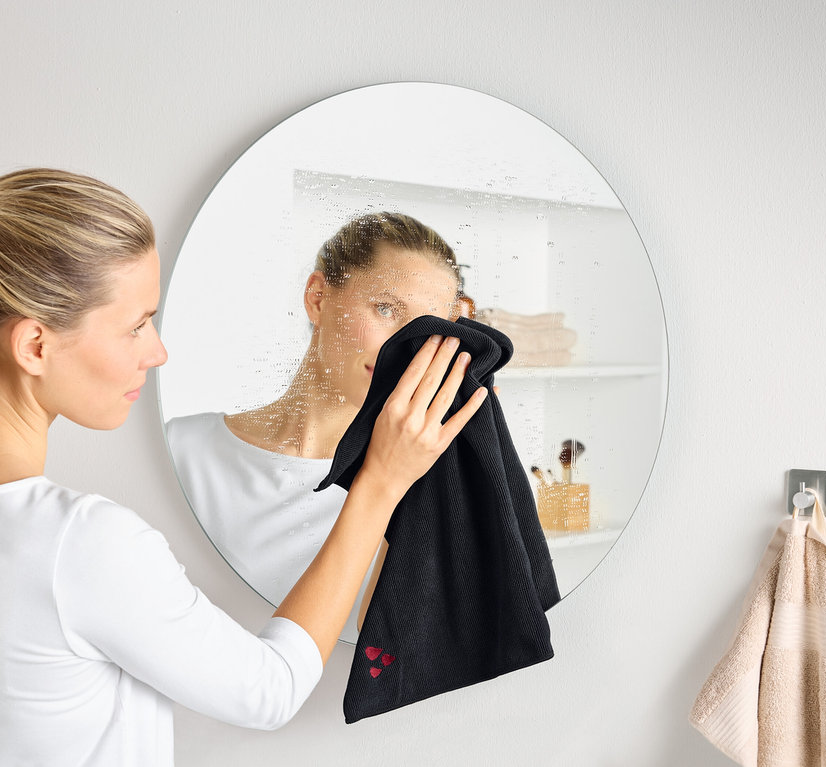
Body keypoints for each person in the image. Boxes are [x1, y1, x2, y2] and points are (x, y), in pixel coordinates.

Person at [0, 168, 486, 765]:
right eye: (135, 326)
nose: (158, 351)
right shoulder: (79, 543)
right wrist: (382, 482)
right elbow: (267, 691)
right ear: (34, 346)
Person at [165, 213, 464, 625]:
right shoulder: (181, 450)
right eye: (385, 308)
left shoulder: (420, 483)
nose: (404, 347)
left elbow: (385, 648)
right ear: (318, 298)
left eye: (428, 331)